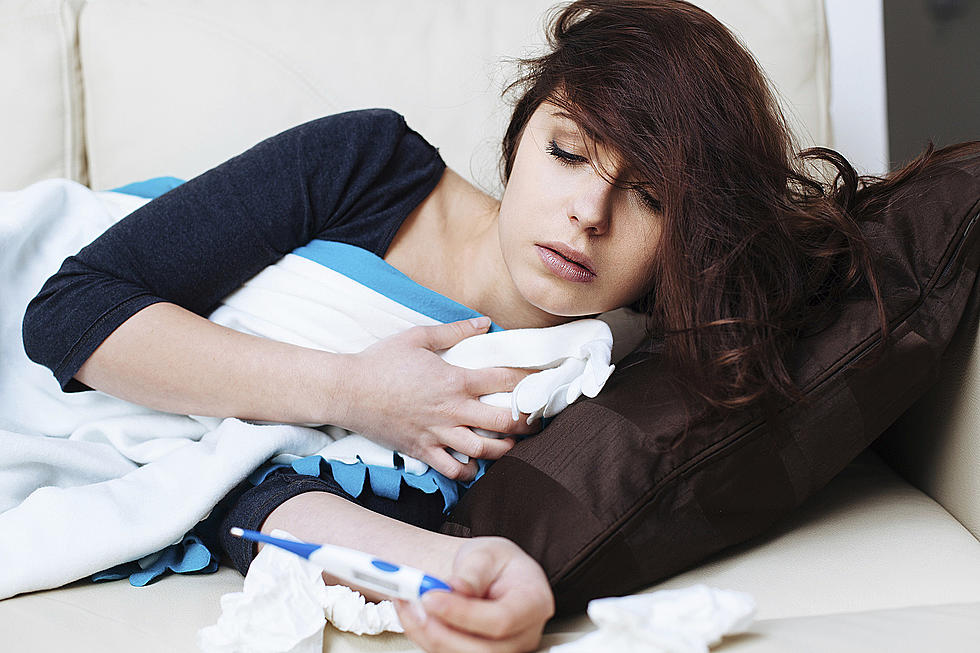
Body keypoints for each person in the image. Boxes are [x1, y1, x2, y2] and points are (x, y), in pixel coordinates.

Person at [19, 1, 974, 651]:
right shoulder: (370, 165)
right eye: (568, 153)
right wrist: (355, 390)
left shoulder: (586, 369)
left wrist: (454, 573)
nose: (586, 216)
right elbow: (69, 310)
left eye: (647, 197)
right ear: (521, 139)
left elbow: (252, 489)